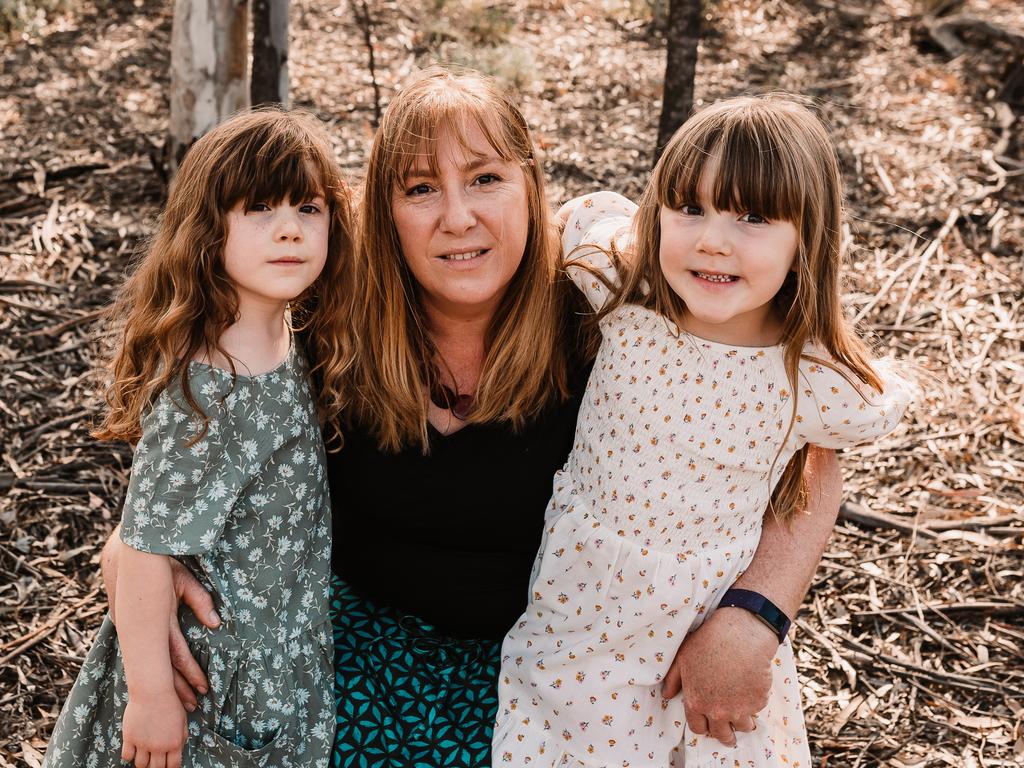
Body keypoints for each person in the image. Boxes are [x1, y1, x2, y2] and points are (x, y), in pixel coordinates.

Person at [98, 69, 845, 768]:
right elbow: (208, 424)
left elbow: (801, 445)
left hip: (549, 668)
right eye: (420, 188)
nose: (458, 218)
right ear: (383, 212)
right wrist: (136, 555)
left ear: (531, 188)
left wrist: (756, 613)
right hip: (344, 644)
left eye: (486, 179)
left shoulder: (609, 312)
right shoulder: (330, 318)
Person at [493, 95, 914, 767]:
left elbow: (823, 472)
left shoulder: (809, 373)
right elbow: (582, 217)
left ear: (807, 236)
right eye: (690, 208)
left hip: (702, 636)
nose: (714, 238)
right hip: (577, 632)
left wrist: (757, 621)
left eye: (751, 216)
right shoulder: (622, 297)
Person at [44, 110, 355, 768]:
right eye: (260, 207)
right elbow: (145, 550)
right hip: (206, 693)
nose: (290, 228)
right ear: (211, 230)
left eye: (308, 206)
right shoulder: (209, 391)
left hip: (276, 668)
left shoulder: (288, 341)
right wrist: (152, 696)